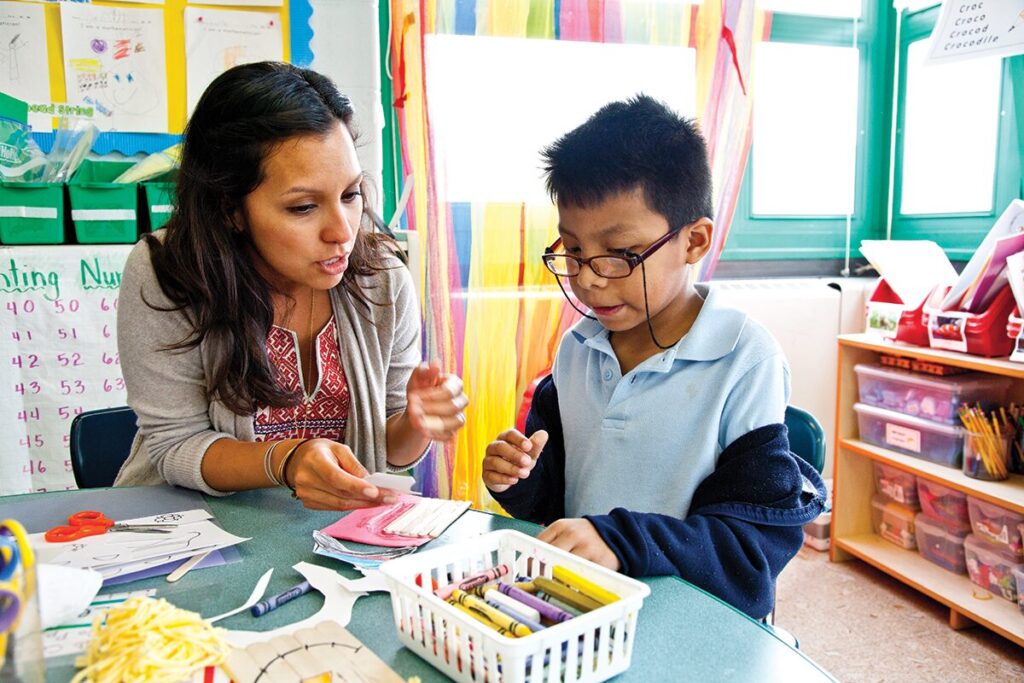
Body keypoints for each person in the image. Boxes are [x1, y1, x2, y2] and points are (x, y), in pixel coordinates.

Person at [482, 95, 826, 619]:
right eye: (573, 251)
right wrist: (521, 477)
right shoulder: (578, 350)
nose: (590, 277)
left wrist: (620, 541)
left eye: (621, 255)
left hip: (691, 620)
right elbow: (558, 500)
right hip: (581, 611)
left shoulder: (743, 362)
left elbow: (751, 548)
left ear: (694, 240)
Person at [115, 62, 467, 510]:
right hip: (188, 531)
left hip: (326, 534)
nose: (342, 231)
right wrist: (286, 461)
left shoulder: (382, 276)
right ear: (231, 209)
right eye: (303, 207)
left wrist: (417, 424)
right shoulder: (168, 271)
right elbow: (175, 446)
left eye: (351, 194)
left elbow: (389, 450)